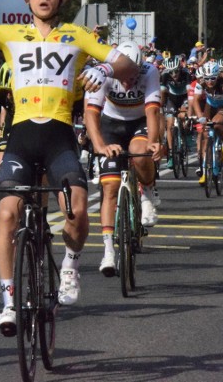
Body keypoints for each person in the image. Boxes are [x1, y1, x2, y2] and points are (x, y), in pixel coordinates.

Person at [0, 0, 138, 335]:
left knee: (78, 207)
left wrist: (103, 69)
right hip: (22, 136)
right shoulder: (9, 33)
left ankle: (70, 265)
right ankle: (8, 301)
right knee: (6, 215)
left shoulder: (77, 34)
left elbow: (129, 64)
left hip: (59, 135)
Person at [84, 40, 162, 277]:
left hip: (139, 121)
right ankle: (108, 251)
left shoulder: (150, 71)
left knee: (140, 153)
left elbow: (152, 111)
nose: (128, 82)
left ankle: (147, 190)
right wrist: (99, 146)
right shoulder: (103, 74)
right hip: (111, 124)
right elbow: (90, 113)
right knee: (109, 188)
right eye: (124, 76)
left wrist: (154, 142)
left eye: (132, 75)